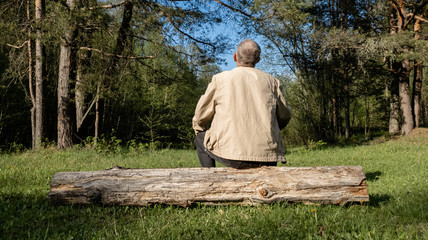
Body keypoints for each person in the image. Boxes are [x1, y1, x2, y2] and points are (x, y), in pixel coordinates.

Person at [192, 39, 292, 169]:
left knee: (200, 139)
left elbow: (200, 115)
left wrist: (199, 129)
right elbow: (284, 115)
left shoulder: (221, 79)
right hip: (267, 156)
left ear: (235, 57)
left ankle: (210, 178)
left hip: (232, 156)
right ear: (258, 60)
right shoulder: (272, 82)